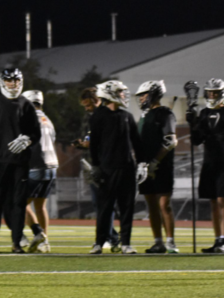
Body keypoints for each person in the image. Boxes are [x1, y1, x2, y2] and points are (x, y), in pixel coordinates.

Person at [0, 67, 41, 253]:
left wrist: (28, 139)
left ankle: (16, 243)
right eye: (9, 80)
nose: (13, 84)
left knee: (18, 204)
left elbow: (36, 133)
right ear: (2, 82)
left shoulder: (26, 104)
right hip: (0, 161)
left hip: (20, 162)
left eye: (16, 80)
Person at [89, 80, 143, 254]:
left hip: (127, 168)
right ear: (110, 93)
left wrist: (142, 163)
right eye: (119, 92)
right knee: (105, 208)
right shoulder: (98, 116)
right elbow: (94, 144)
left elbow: (137, 142)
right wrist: (96, 165)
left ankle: (125, 243)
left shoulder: (127, 116)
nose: (123, 95)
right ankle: (99, 242)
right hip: (107, 169)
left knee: (127, 208)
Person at [73, 87, 120, 249]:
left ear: (97, 100)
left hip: (105, 165)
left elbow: (107, 141)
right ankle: (112, 236)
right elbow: (88, 138)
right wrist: (82, 144)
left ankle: (109, 237)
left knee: (104, 203)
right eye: (84, 106)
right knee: (97, 204)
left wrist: (90, 144)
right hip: (91, 164)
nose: (86, 109)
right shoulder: (89, 117)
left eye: (88, 105)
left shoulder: (106, 115)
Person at [135, 80, 178, 253]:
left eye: (144, 95)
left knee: (163, 204)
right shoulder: (144, 116)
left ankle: (171, 242)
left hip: (162, 165)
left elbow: (170, 140)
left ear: (153, 94)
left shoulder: (165, 113)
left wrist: (154, 162)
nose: (141, 98)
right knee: (151, 204)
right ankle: (158, 242)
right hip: (144, 166)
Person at [187, 78, 224, 253]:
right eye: (210, 92)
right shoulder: (203, 113)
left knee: (222, 201)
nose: (212, 95)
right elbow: (197, 140)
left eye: (215, 92)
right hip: (210, 163)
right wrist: (192, 123)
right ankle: (218, 240)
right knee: (213, 203)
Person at [21, 90, 56, 253]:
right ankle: (44, 242)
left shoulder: (29, 119)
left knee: (19, 203)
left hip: (36, 165)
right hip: (52, 165)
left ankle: (38, 234)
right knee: (40, 206)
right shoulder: (47, 119)